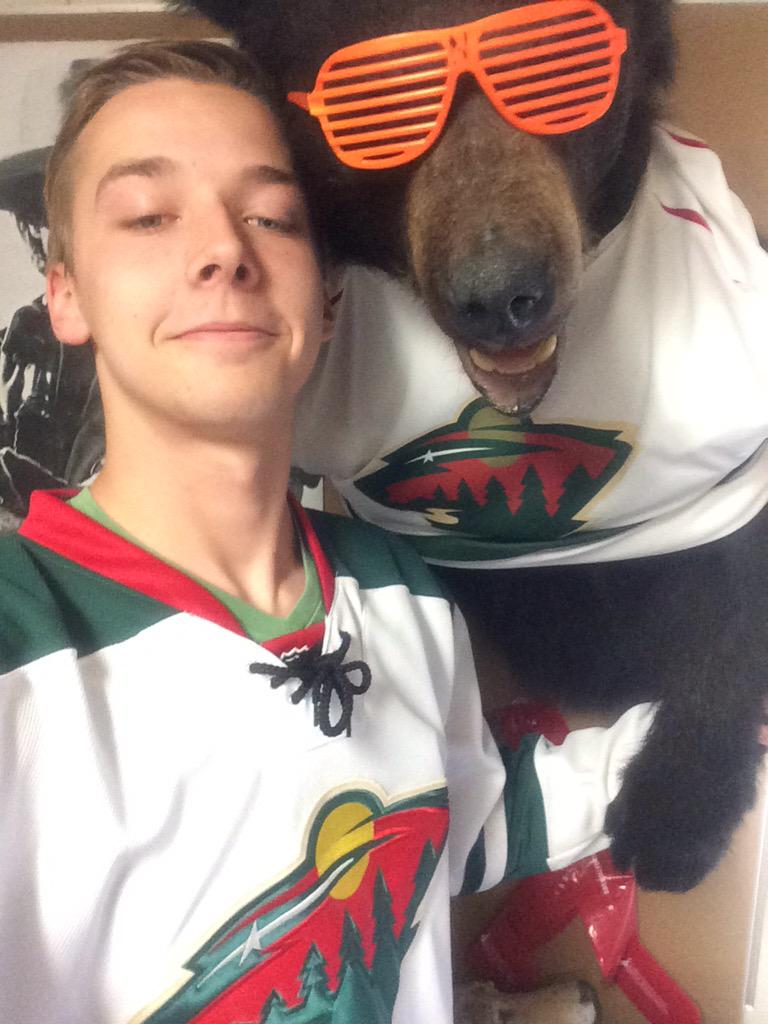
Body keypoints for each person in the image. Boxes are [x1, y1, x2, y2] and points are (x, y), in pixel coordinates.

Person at [0, 41, 655, 1024]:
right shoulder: (19, 641)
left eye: (272, 216)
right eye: (148, 216)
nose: (224, 250)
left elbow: (457, 827)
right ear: (66, 293)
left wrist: (702, 730)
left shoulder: (403, 589)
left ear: (330, 295)